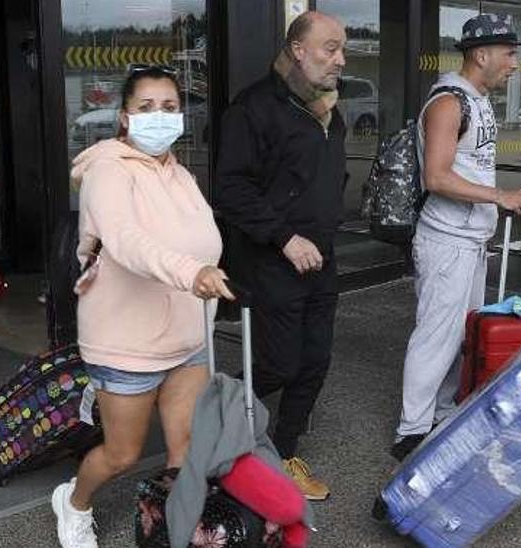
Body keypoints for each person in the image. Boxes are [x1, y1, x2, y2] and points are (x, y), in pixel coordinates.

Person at [49, 65, 233, 548]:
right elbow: (127, 242)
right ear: (125, 117)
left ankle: (174, 529)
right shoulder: (107, 171)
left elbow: (202, 240)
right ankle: (73, 503)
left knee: (184, 448)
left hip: (188, 339)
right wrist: (191, 273)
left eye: (170, 108)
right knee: (122, 455)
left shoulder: (180, 174)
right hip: (126, 341)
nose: (160, 117)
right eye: (146, 107)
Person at [391, 14, 521, 461]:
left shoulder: (476, 99)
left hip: (470, 240)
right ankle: (411, 431)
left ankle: (438, 413)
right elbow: (436, 177)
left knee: (462, 333)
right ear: (482, 54)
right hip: (445, 240)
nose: (515, 63)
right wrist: (500, 197)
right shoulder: (448, 102)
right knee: (436, 334)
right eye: (510, 53)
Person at [213, 10, 347, 501]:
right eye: (329, 48)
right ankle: (216, 424)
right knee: (279, 364)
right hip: (272, 260)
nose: (340, 59)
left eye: (342, 49)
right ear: (296, 49)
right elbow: (230, 191)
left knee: (315, 361)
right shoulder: (253, 109)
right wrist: (285, 237)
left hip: (322, 260)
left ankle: (281, 453)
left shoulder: (329, 108)